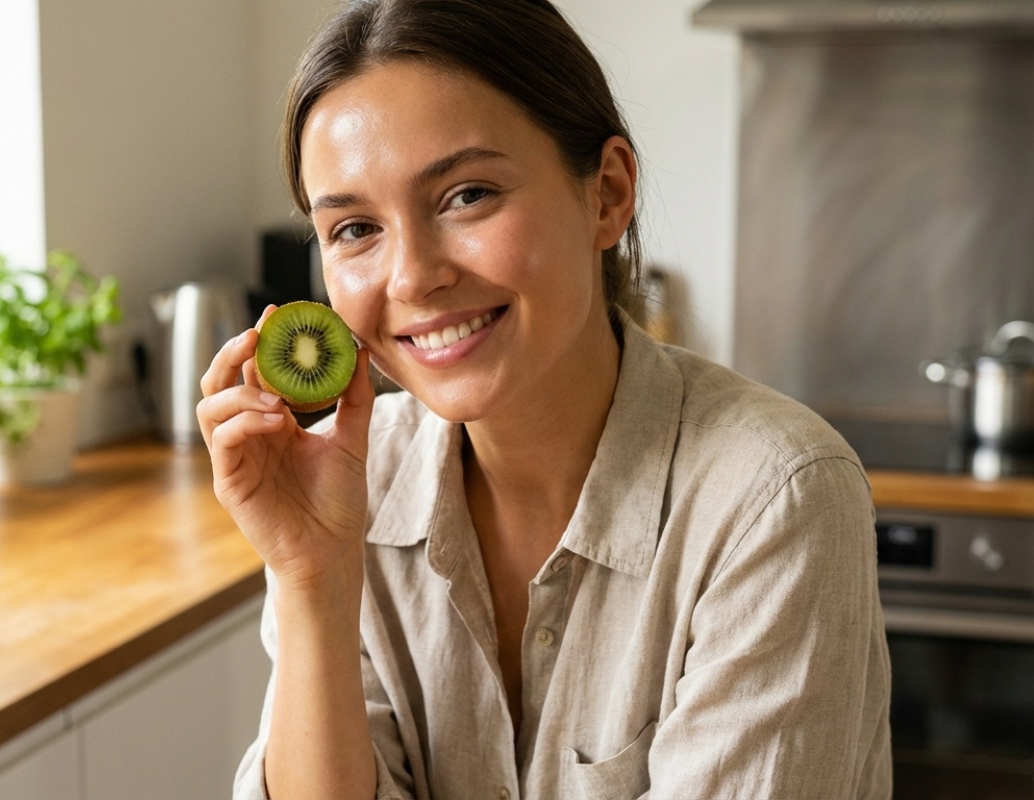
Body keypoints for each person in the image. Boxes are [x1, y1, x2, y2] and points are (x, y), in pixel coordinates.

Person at [197, 0, 893, 797]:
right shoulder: (352, 486)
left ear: (606, 194)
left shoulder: (775, 499)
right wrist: (311, 578)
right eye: (356, 229)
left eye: (466, 196)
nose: (412, 277)